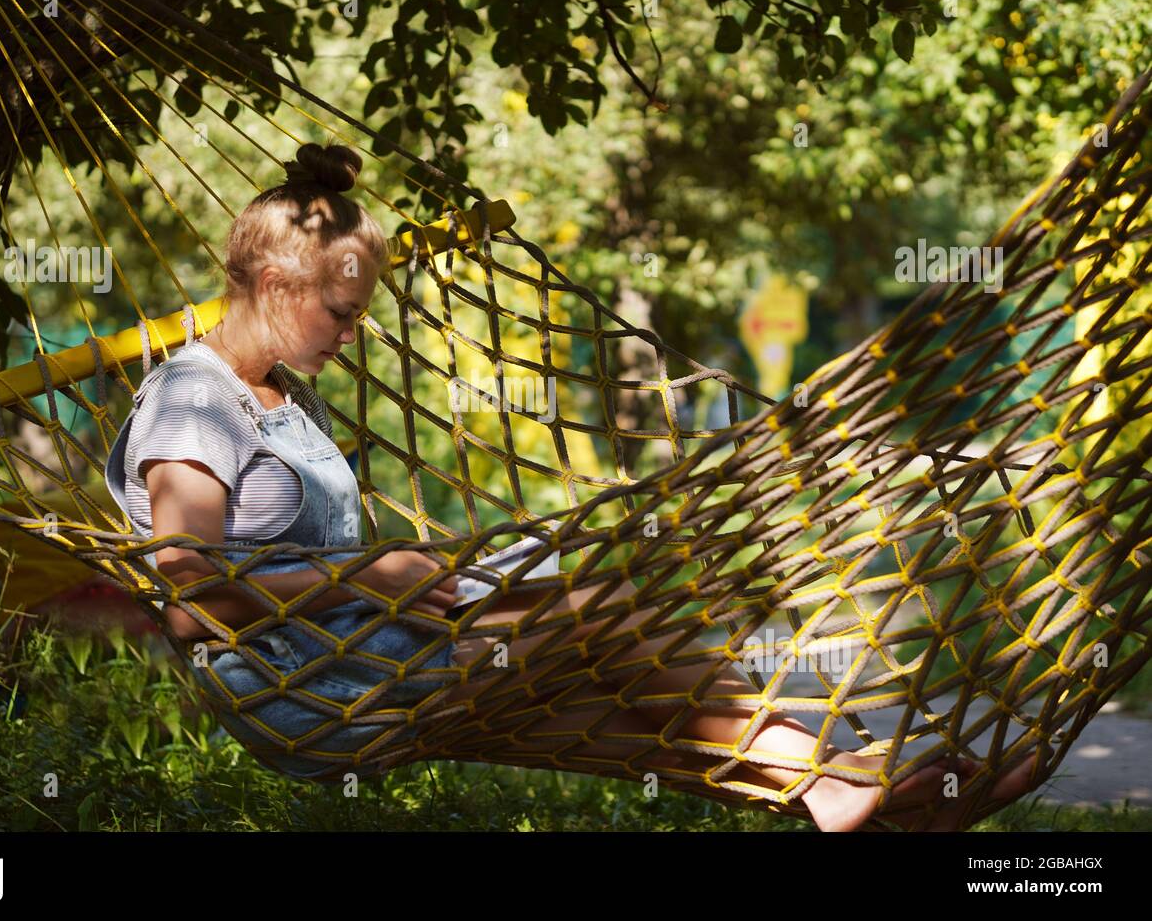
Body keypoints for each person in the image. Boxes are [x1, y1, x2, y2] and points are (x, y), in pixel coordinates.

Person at [104, 141, 1039, 831]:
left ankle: (840, 798)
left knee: (595, 702)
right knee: (611, 615)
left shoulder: (278, 394)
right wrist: (376, 577)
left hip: (357, 651)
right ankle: (846, 780)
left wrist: (390, 582)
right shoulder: (195, 399)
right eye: (342, 313)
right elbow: (188, 598)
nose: (351, 335)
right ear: (272, 283)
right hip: (304, 684)